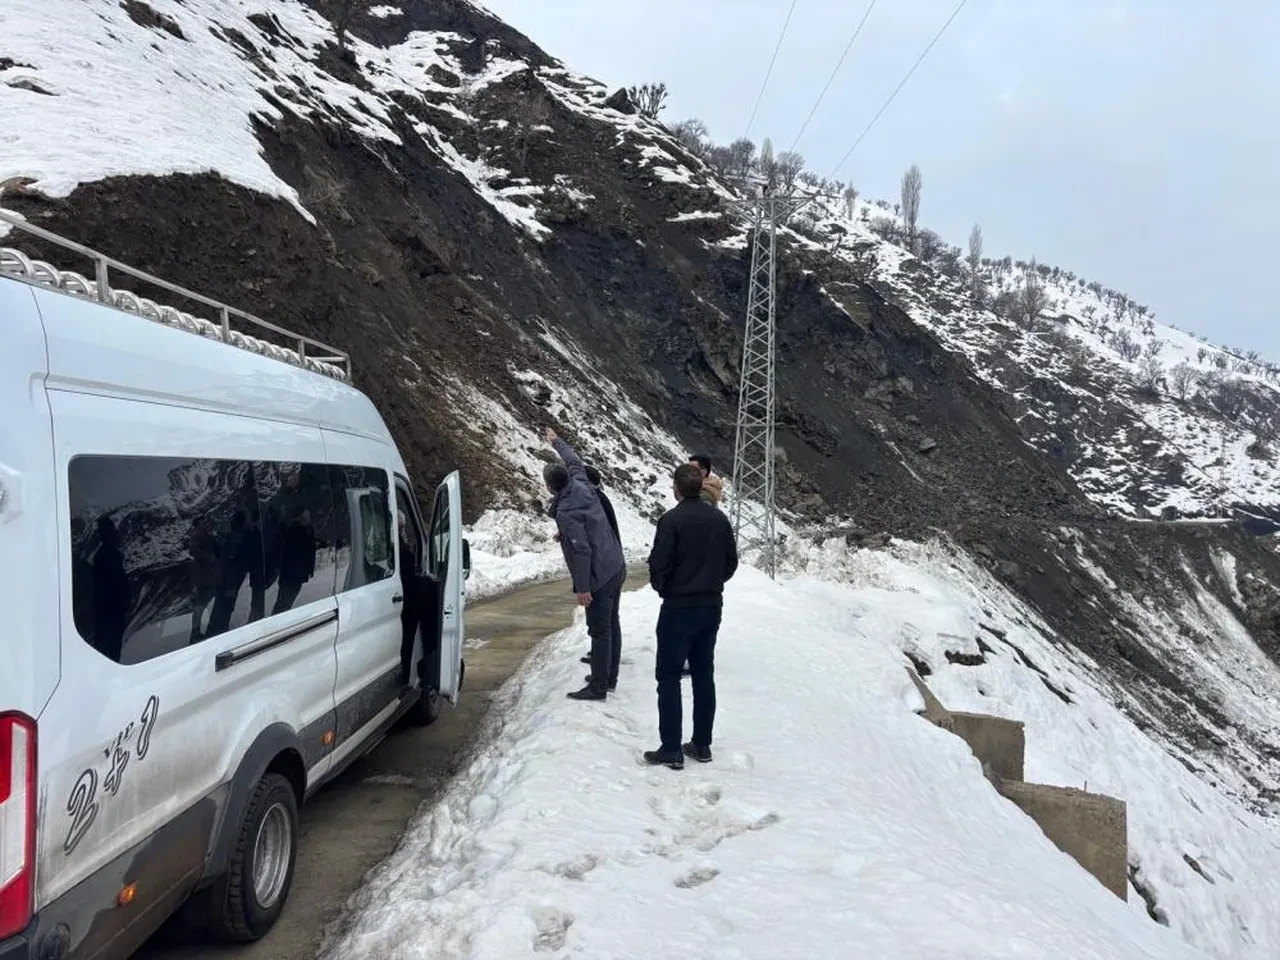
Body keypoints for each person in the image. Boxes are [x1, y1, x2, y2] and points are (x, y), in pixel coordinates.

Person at [644, 463, 738, 770]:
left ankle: (671, 747)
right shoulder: (719, 519)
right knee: (703, 674)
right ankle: (701, 743)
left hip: (678, 608)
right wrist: (712, 583)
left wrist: (666, 588)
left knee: (669, 677)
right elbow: (730, 562)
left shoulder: (671, 521)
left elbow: (659, 563)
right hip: (711, 605)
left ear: (677, 489)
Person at [544, 428, 628, 700]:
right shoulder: (581, 482)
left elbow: (582, 551)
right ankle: (609, 677)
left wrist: (583, 588)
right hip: (615, 563)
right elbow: (573, 459)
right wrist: (556, 440)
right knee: (612, 623)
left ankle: (599, 686)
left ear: (549, 487)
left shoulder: (567, 509)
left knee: (600, 630)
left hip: (600, 575)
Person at [579, 462, 621, 667]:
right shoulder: (601, 499)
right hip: (613, 565)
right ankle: (607, 665)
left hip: (603, 570)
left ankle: (601, 676)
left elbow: (592, 540)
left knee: (602, 625)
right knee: (611, 621)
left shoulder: (595, 502)